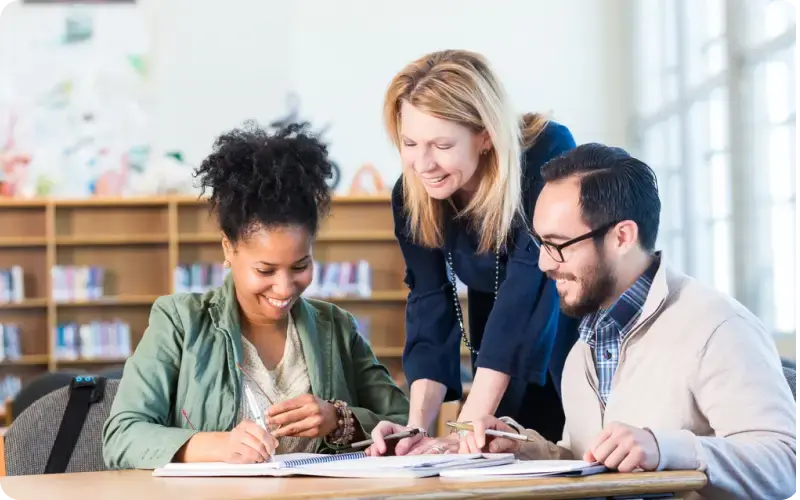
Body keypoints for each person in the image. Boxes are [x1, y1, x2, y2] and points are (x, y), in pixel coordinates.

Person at [457, 144, 795, 499]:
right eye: (540, 244)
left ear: (622, 237)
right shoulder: (582, 348)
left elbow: (783, 464)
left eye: (558, 245)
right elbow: (591, 464)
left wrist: (665, 449)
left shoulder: (720, 328)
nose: (543, 264)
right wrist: (522, 448)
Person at [102, 122, 409, 469]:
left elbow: (405, 423)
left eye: (300, 266)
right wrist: (218, 446)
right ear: (228, 248)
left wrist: (339, 421)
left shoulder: (335, 327)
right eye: (265, 270)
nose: (284, 287)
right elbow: (122, 436)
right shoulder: (180, 323)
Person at [367, 49, 580, 457]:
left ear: (485, 135)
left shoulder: (546, 152)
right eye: (410, 143)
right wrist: (416, 428)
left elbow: (527, 287)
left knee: (559, 449)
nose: (422, 163)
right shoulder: (411, 192)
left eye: (441, 145)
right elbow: (429, 304)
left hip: (567, 323)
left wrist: (466, 428)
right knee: (490, 452)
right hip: (495, 333)